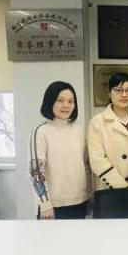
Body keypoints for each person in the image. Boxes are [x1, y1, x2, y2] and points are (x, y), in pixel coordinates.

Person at [30, 81, 90, 219]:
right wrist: (45, 204)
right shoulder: (40, 131)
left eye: (70, 101)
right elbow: (36, 172)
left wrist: (89, 196)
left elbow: (86, 166)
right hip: (52, 206)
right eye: (60, 100)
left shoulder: (79, 130)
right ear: (50, 101)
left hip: (80, 202)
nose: (66, 105)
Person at [88, 72, 128, 191]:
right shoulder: (97, 122)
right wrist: (123, 186)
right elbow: (97, 161)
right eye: (118, 90)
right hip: (111, 189)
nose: (124, 94)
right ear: (109, 93)